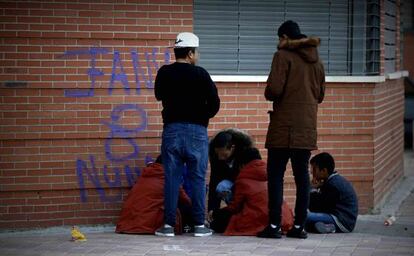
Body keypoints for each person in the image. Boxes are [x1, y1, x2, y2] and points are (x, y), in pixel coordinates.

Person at [258, 20, 326, 239]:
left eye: (279, 38)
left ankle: (275, 226)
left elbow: (273, 90)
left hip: (283, 127)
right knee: (302, 178)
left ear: (285, 37)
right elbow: (321, 95)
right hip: (306, 126)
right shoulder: (317, 62)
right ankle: (299, 227)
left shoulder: (282, 56)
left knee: (276, 177)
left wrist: (270, 88)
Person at [154, 32, 220, 237]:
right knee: (198, 179)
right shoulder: (201, 74)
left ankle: (168, 226)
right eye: (197, 52)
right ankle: (199, 225)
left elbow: (158, 95)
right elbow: (215, 104)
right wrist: (202, 118)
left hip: (172, 130)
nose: (198, 56)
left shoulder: (164, 72)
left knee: (172, 179)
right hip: (197, 132)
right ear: (190, 53)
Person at [209, 148, 294, 236]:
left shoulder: (243, 179)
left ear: (243, 164)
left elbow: (234, 207)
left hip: (261, 219)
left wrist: (216, 213)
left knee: (218, 224)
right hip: (285, 218)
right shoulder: (272, 174)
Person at [115, 156, 192, 235]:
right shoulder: (169, 177)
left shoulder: (146, 174)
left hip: (126, 224)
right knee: (184, 205)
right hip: (145, 225)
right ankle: (192, 227)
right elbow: (185, 200)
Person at [306, 152, 358, 234]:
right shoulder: (332, 181)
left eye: (315, 169)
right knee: (305, 219)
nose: (312, 173)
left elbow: (318, 207)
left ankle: (332, 227)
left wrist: (311, 189)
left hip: (342, 222)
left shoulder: (333, 185)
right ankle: (328, 227)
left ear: (324, 170)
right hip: (340, 219)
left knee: (303, 216)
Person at [207, 128, 253, 217]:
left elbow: (251, 179)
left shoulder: (246, 153)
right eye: (218, 154)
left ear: (232, 148)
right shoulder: (216, 157)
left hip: (247, 186)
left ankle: (243, 211)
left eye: (224, 155)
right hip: (231, 184)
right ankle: (235, 212)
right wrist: (212, 210)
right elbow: (214, 182)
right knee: (222, 187)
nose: (220, 158)